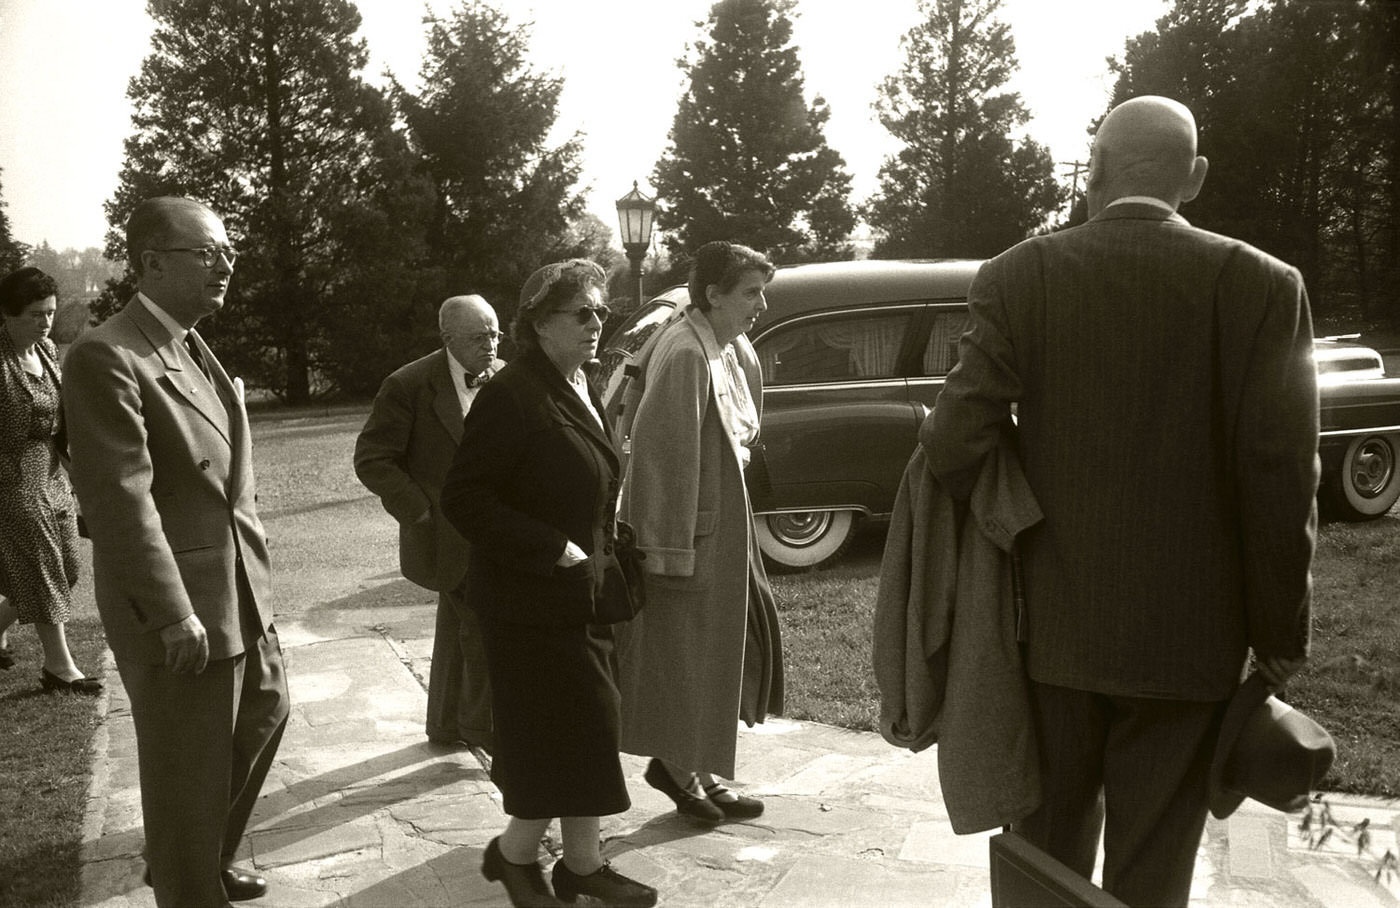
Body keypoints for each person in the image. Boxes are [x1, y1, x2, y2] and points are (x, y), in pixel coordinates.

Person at [923, 96, 1318, 907]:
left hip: (1053, 634)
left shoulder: (1017, 275)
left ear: (1092, 173)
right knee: (1153, 873)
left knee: (1047, 864)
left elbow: (954, 439)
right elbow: (1282, 477)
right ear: (1196, 178)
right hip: (1193, 648)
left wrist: (1014, 522)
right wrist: (1279, 635)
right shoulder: (1264, 285)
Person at [63, 196, 290, 908]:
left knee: (266, 712)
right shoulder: (108, 354)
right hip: (183, 607)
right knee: (189, 773)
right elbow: (120, 502)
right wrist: (171, 613)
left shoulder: (191, 344)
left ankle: (197, 859)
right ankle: (191, 886)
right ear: (153, 263)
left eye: (229, 252)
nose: (225, 265)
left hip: (238, 590)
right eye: (208, 253)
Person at [440, 259, 657, 908]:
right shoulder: (512, 394)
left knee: (585, 728)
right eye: (581, 314)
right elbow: (464, 498)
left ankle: (572, 862)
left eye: (600, 312)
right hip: (527, 601)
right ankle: (521, 857)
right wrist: (550, 546)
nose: (597, 323)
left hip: (580, 592)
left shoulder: (578, 382)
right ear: (538, 324)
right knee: (558, 732)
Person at [615, 241, 784, 824]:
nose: (760, 304)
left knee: (717, 658)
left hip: (722, 530)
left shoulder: (726, 345)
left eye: (763, 291)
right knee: (686, 659)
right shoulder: (686, 351)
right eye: (750, 292)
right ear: (712, 294)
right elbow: (660, 457)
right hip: (691, 539)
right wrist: (664, 550)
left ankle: (700, 769)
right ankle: (677, 766)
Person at [354, 294, 502, 755]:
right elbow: (372, 459)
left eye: (496, 333)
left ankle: (445, 723)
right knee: (483, 628)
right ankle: (487, 735)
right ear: (447, 338)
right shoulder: (408, 385)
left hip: (498, 529)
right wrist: (422, 512)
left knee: (461, 622)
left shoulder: (505, 376)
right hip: (446, 532)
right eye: (480, 337)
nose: (492, 345)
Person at [0, 266, 97, 692]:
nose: (46, 322)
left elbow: (60, 425)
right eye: (36, 314)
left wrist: (78, 476)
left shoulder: (46, 354)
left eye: (51, 313)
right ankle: (60, 668)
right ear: (7, 313)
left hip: (51, 474)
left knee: (69, 568)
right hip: (11, 479)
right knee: (43, 570)